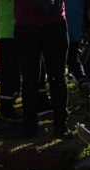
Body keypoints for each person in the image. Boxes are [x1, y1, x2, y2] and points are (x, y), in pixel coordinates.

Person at [15, 0, 69, 137]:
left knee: (54, 77)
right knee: (33, 78)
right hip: (33, 23)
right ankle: (37, 126)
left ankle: (57, 126)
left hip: (44, 23)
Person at [0, 0, 22, 119]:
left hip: (9, 31)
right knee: (9, 73)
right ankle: (6, 108)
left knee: (12, 72)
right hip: (8, 32)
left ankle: (7, 105)